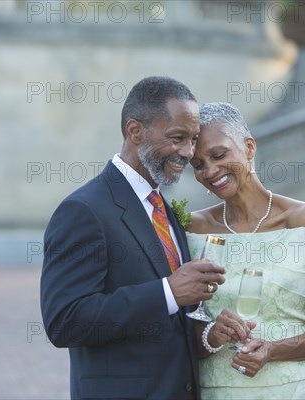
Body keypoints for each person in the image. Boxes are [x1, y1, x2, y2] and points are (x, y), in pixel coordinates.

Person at [40, 77, 235, 400]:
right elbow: (65, 321)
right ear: (135, 131)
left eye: (193, 139)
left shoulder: (165, 210)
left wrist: (210, 334)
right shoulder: (83, 210)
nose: (187, 152)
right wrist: (168, 292)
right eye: (177, 138)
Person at [186, 102, 305, 400]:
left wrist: (273, 351)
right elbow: (173, 328)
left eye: (219, 154)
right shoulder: (194, 231)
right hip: (216, 391)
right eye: (198, 165)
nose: (210, 171)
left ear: (249, 147)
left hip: (294, 391)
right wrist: (210, 335)